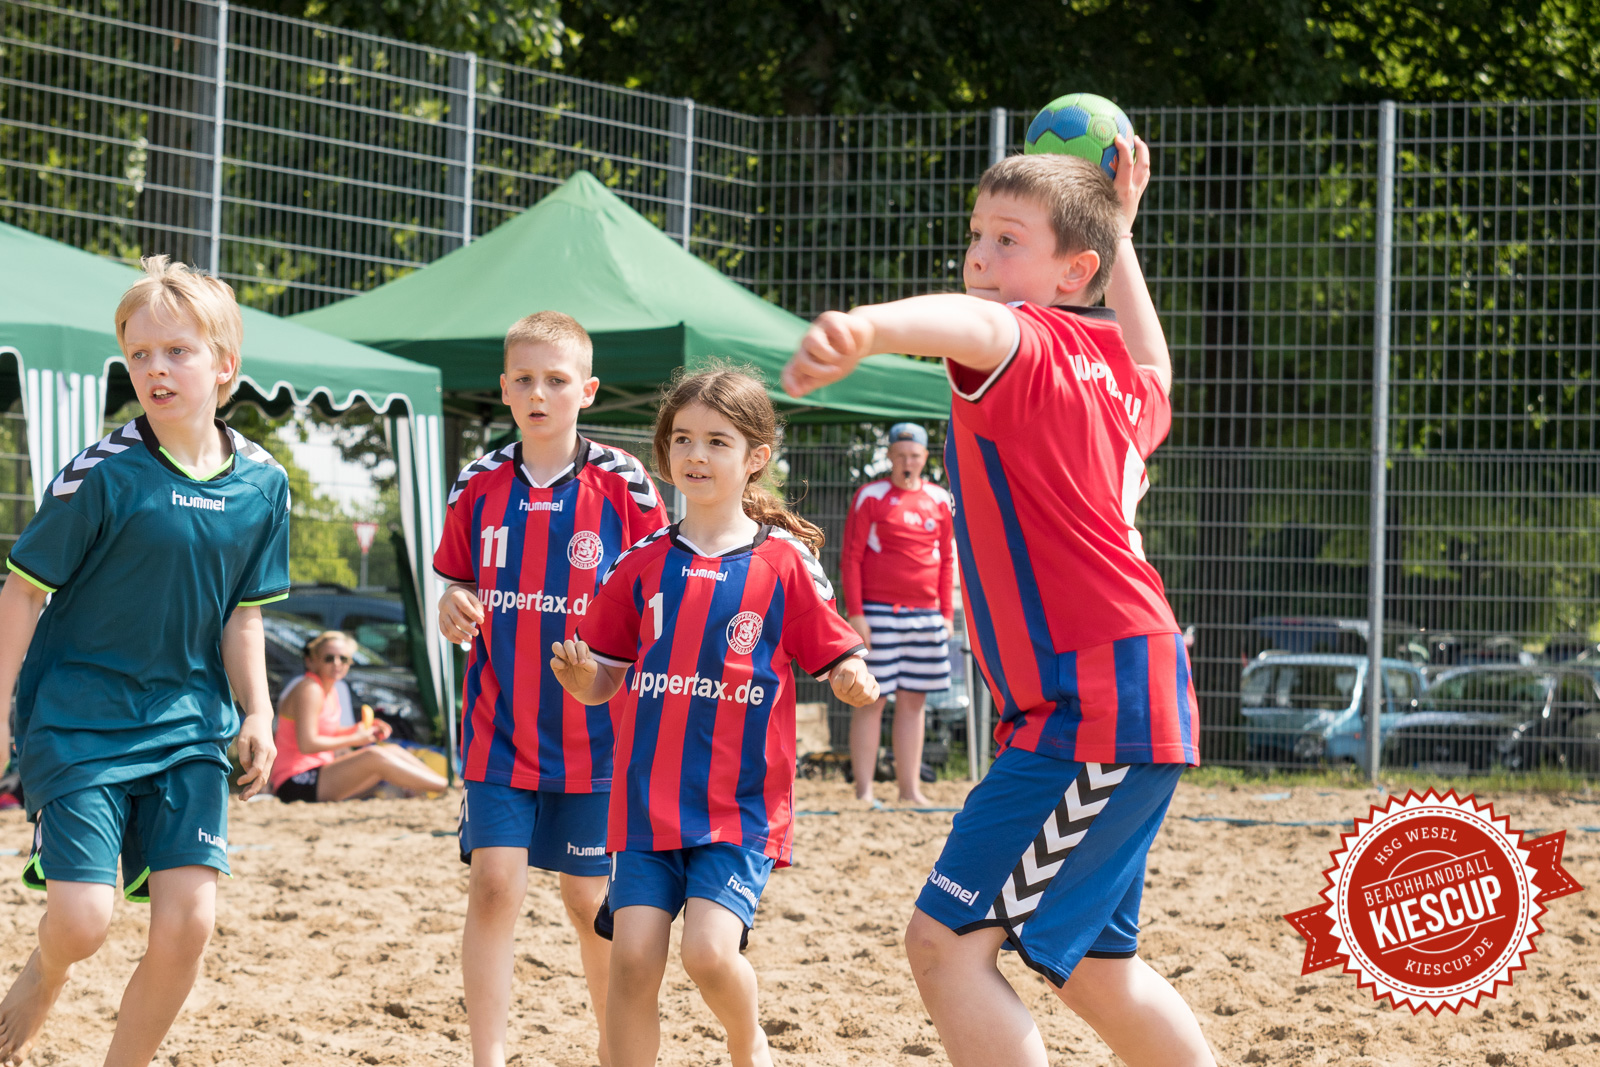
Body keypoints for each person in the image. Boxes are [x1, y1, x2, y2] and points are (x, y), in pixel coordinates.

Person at [782, 138, 1216, 1067]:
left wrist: (865, 326)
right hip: (1124, 687)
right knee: (1099, 966)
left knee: (944, 942)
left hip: (1089, 704)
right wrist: (1123, 231)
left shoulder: (1025, 340)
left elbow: (968, 326)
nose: (981, 255)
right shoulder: (1113, 377)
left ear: (1072, 271)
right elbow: (1157, 365)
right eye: (976, 234)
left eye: (1008, 239)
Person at [0, 256, 288, 1067]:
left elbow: (243, 610)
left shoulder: (264, 483)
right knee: (84, 921)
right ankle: (47, 970)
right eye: (140, 354)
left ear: (224, 365)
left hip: (191, 722)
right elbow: (20, 594)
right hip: (78, 715)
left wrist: (259, 711)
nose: (156, 368)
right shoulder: (103, 472)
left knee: (190, 922)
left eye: (177, 351)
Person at [550, 367, 879, 1067]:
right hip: (644, 808)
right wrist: (586, 679)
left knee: (706, 951)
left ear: (755, 456)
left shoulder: (785, 563)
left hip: (739, 810)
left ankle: (745, 1037)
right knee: (634, 958)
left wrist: (851, 676)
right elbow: (603, 677)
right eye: (683, 439)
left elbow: (833, 651)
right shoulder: (638, 563)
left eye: (717, 441)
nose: (696, 455)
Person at [433, 311, 669, 1067]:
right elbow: (455, 584)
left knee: (586, 899)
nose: (539, 393)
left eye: (556, 380)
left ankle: (615, 1046)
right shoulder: (478, 482)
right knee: (496, 884)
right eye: (525, 379)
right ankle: (487, 1056)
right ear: (503, 388)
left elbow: (656, 593)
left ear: (587, 391)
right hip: (499, 728)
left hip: (598, 737)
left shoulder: (624, 483)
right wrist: (452, 606)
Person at [840, 421, 955, 807]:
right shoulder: (870, 496)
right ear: (889, 455)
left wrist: (946, 613)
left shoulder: (939, 500)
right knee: (872, 700)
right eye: (901, 454)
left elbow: (946, 560)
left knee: (914, 701)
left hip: (925, 616)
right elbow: (852, 557)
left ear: (925, 458)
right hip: (877, 614)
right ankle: (865, 792)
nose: (908, 461)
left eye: (915, 455)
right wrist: (856, 614)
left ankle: (910, 790)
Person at [271, 630, 447, 802]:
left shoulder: (330, 688)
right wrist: (355, 738)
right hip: (295, 781)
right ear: (312, 661)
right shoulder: (310, 688)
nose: (337, 663)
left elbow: (328, 732)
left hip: (316, 773)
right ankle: (445, 788)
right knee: (374, 755)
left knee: (390, 750)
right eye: (329, 658)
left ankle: (445, 785)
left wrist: (359, 730)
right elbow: (307, 744)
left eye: (344, 658)